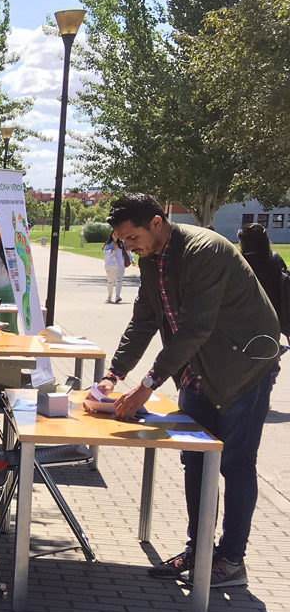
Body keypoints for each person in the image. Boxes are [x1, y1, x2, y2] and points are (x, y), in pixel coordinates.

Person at [97, 193, 281, 589]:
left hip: (243, 370)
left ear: (157, 222)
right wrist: (114, 373)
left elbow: (196, 327)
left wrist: (147, 384)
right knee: (196, 461)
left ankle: (231, 561)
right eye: (122, 241)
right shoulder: (151, 258)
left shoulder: (205, 250)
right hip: (198, 371)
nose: (128, 247)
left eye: (132, 237)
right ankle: (199, 551)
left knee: (234, 464)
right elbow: (145, 318)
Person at [239, 223, 288, 337]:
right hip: (276, 318)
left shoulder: (241, 263)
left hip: (246, 320)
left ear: (244, 243)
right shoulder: (276, 260)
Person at [103, 236, 133, 303]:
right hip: (110, 265)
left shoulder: (122, 244)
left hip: (120, 264)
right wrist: (113, 248)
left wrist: (132, 259)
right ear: (112, 235)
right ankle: (109, 297)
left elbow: (127, 252)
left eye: (117, 234)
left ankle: (117, 297)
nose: (116, 236)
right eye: (114, 234)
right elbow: (106, 253)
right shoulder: (108, 244)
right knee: (110, 281)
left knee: (119, 280)